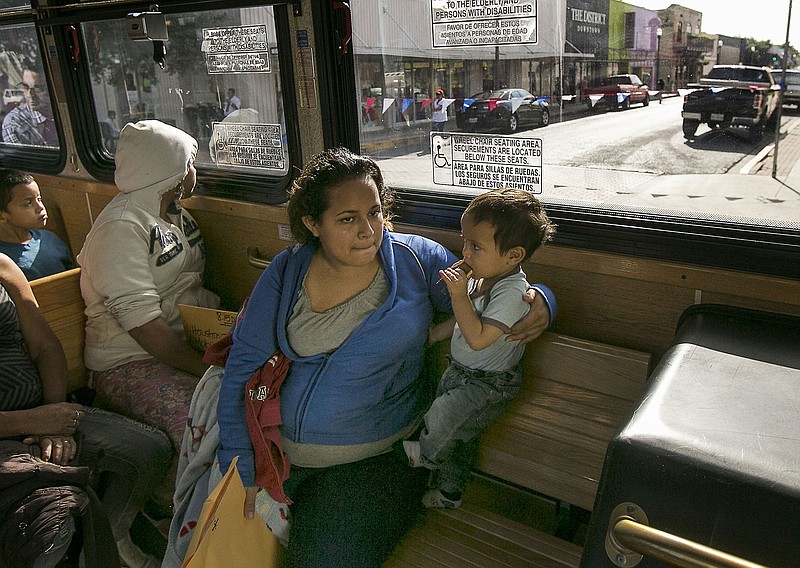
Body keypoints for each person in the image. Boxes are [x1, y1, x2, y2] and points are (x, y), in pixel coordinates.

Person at [215, 148, 555, 568]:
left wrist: (542, 299)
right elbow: (243, 368)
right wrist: (240, 462)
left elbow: (494, 286)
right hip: (276, 453)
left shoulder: (416, 260)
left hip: (373, 462)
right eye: (347, 219)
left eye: (374, 213)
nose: (367, 230)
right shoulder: (287, 272)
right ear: (312, 224)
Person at [76, 120, 219, 507]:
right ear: (171, 173)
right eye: (190, 163)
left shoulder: (172, 213)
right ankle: (177, 516)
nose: (194, 172)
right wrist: (204, 368)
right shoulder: (120, 229)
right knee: (203, 422)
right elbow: (145, 327)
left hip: (181, 341)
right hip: (129, 361)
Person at [0, 252, 172, 568]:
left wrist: (53, 418)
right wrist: (34, 421)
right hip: (8, 436)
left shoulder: (3, 267)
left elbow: (45, 346)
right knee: (51, 522)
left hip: (44, 412)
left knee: (150, 448)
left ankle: (108, 537)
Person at [401, 187, 556, 509]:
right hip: (462, 371)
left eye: (476, 246)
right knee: (459, 439)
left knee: (441, 418)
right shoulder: (482, 276)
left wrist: (458, 296)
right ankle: (449, 493)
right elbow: (463, 321)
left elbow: (478, 337)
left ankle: (420, 462)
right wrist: (431, 335)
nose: (465, 252)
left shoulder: (514, 293)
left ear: (513, 256)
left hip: (488, 384)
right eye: (464, 241)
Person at [0, 169, 75, 280]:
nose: (40, 207)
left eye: (39, 199)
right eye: (28, 203)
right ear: (2, 216)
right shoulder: (3, 258)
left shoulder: (50, 239)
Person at [2, 65, 57, 146]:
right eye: (26, 87)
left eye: (38, 88)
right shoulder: (15, 122)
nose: (30, 95)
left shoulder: (64, 112)